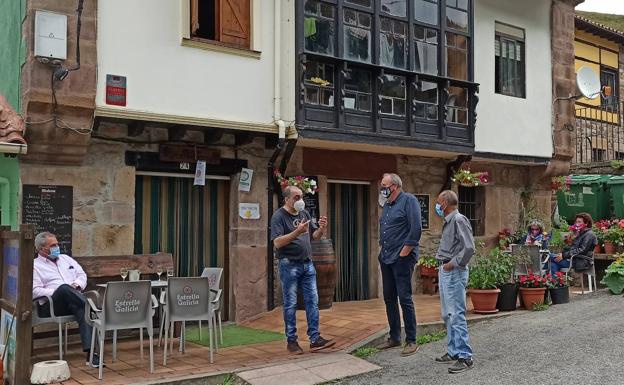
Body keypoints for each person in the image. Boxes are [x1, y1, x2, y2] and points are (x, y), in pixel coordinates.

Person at [271, 185, 335, 354]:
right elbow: (277, 242)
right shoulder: (279, 216)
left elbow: (314, 236)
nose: (300, 200)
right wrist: (297, 232)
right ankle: (291, 341)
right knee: (291, 304)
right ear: (287, 199)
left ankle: (315, 339)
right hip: (289, 264)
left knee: (313, 302)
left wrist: (322, 228)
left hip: (308, 264)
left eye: (301, 197)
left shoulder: (305, 214)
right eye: (296, 197)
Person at [32, 232, 100, 367]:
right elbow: (35, 291)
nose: (57, 247)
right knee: (63, 288)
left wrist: (76, 285)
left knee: (83, 310)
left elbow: (82, 275)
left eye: (57, 243)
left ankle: (92, 355)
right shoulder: (35, 265)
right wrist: (61, 291)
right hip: (51, 306)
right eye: (53, 245)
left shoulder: (66, 259)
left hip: (73, 301)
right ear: (41, 249)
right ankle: (95, 310)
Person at [377, 173, 421, 356]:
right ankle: (395, 337)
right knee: (389, 298)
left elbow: (416, 228)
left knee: (405, 298)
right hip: (386, 257)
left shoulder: (409, 200)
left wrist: (404, 253)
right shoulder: (387, 205)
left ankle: (411, 340)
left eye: (384, 185)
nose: (382, 188)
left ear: (394, 186)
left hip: (402, 258)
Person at [434, 190, 475, 373]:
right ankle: (453, 351)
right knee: (447, 314)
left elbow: (469, 248)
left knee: (456, 313)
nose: (437, 206)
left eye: (438, 202)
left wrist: (453, 264)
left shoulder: (459, 220)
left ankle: (465, 356)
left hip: (453, 271)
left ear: (444, 203)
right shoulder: (449, 220)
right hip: (446, 270)